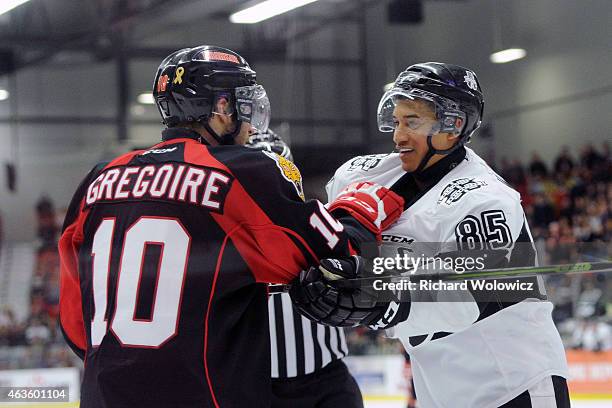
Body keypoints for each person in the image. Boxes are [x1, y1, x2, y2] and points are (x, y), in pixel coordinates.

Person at [58, 45, 403, 408]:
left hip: (104, 396)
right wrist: (358, 210)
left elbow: (73, 319)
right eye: (245, 107)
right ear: (222, 109)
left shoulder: (99, 179)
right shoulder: (241, 170)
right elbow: (338, 259)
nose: (251, 124)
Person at [291, 63, 570, 407]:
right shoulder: (368, 174)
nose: (398, 135)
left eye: (413, 122)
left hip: (511, 384)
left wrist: (380, 296)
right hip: (439, 389)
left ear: (453, 125)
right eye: (396, 121)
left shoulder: (486, 200)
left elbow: (469, 293)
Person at [246, 129, 364, 408]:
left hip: (326, 383)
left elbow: (364, 269)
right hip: (258, 388)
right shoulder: (229, 232)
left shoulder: (317, 220)